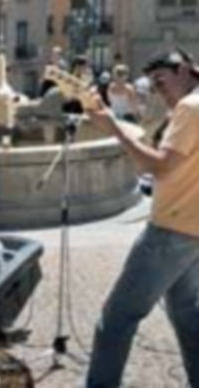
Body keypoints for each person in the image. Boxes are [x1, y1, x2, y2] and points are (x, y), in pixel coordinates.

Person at [84, 48, 199, 388]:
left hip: (171, 229)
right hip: (194, 230)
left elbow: (159, 166)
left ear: (185, 70)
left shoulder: (190, 109)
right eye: (154, 86)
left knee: (116, 318)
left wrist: (113, 130)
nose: (160, 92)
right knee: (187, 314)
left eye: (162, 82)